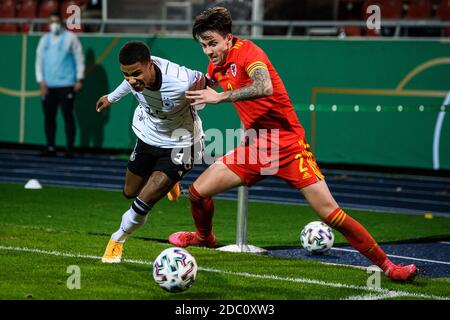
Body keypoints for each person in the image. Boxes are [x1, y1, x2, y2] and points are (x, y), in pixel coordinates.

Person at [168, 7, 417, 282]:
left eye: (212, 43)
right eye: (203, 45)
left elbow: (264, 87)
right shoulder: (215, 65)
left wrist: (220, 97)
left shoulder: (250, 52)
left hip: (288, 146)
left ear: (228, 38)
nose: (208, 51)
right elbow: (200, 86)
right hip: (255, 147)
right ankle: (204, 238)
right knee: (198, 193)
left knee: (331, 214)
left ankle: (389, 267)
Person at [96, 41, 206, 263]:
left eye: (136, 73)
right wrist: (111, 97)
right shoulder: (135, 77)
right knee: (130, 191)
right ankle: (169, 182)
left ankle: (117, 239)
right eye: (126, 75)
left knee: (144, 199)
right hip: (148, 136)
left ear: (150, 65)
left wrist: (213, 94)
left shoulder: (181, 79)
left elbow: (207, 79)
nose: (131, 80)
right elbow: (129, 83)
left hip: (181, 143)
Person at [35, 12, 85, 158]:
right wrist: (41, 81)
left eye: (56, 21)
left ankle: (69, 148)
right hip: (49, 85)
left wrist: (79, 79)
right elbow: (39, 61)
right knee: (49, 117)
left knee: (68, 116)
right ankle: (50, 147)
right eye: (51, 21)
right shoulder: (44, 40)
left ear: (62, 22)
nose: (54, 24)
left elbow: (79, 58)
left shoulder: (70, 38)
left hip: (67, 84)